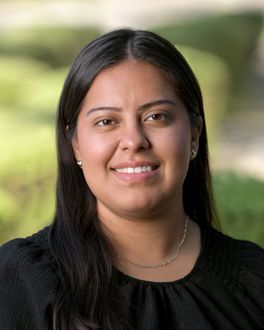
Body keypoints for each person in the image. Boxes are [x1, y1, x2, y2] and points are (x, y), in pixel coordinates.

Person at [0, 28, 263, 330]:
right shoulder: (20, 280)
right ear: (75, 145)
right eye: (106, 121)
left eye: (156, 116)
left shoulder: (253, 278)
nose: (134, 140)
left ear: (194, 133)